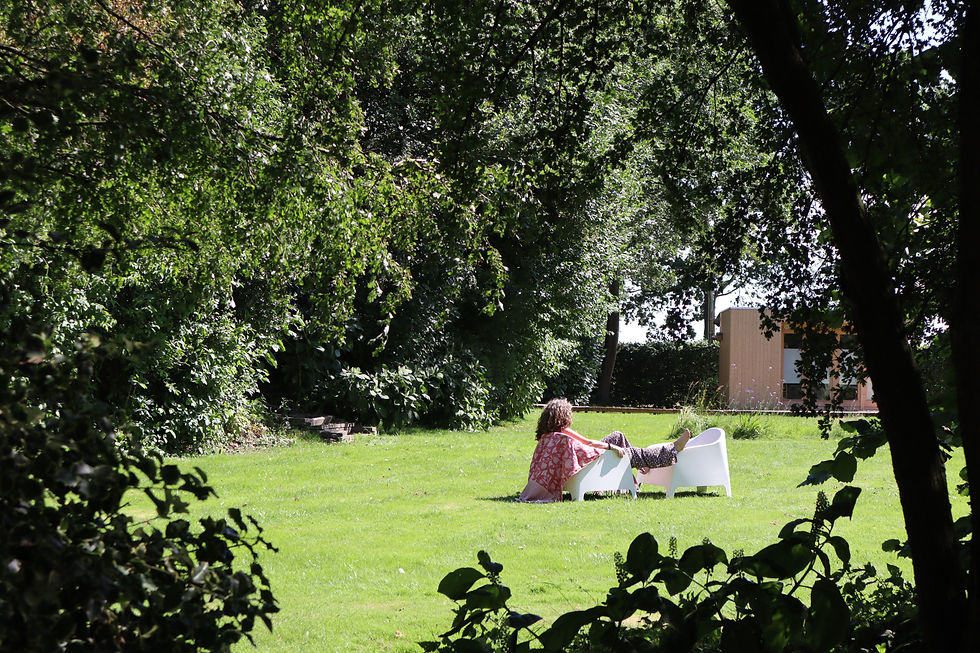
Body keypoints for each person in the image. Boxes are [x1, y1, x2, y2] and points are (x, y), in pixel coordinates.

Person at [518, 398, 690, 502]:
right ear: (561, 417)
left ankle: (635, 471)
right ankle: (672, 449)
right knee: (634, 453)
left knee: (618, 435)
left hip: (583, 460)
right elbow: (588, 443)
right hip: (590, 462)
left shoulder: (547, 437)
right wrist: (611, 447)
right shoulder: (563, 432)